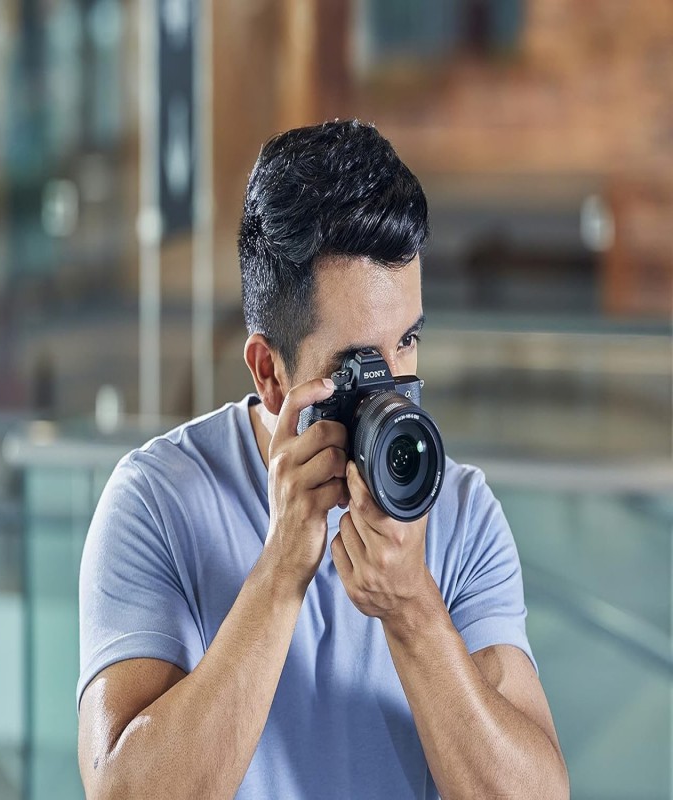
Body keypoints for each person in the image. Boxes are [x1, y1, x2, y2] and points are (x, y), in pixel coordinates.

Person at [76, 120, 569, 799]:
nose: (391, 388)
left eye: (407, 342)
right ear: (270, 373)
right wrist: (282, 569)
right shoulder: (155, 502)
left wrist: (412, 609)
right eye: (358, 365)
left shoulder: (461, 511)